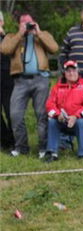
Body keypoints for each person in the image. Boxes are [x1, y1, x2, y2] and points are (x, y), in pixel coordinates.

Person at [0, 13, 58, 158]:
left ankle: (43, 148)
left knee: (41, 114)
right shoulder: (12, 37)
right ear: (19, 24)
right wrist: (20, 33)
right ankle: (21, 147)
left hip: (41, 80)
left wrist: (38, 33)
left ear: (35, 22)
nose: (27, 24)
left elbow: (54, 48)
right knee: (15, 115)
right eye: (23, 22)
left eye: (29, 22)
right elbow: (5, 49)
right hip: (20, 81)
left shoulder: (42, 35)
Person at [44, 60, 83, 162]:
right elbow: (49, 105)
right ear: (64, 73)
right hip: (62, 120)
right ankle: (52, 152)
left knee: (81, 122)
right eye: (68, 71)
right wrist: (58, 115)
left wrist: (76, 116)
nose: (71, 73)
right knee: (52, 121)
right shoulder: (57, 87)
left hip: (79, 120)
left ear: (78, 71)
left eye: (73, 70)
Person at [0, 11, 15, 152]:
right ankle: (4, 140)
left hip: (7, 79)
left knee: (10, 111)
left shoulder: (9, 37)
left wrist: (3, 35)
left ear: (2, 22)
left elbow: (11, 51)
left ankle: (14, 141)